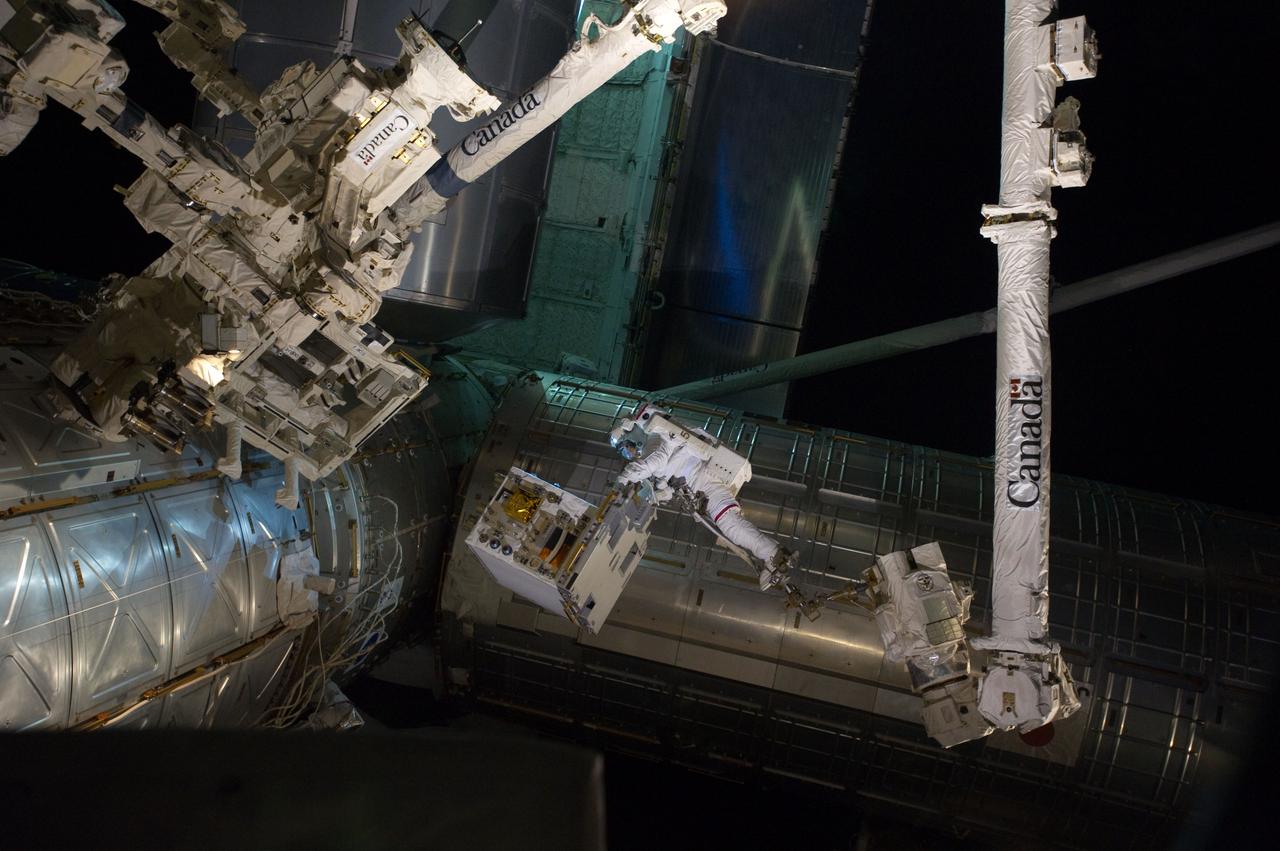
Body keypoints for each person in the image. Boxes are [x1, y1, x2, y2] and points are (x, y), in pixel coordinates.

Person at [611, 410, 795, 590]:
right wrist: (656, 495)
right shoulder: (652, 448)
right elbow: (665, 482)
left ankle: (774, 554)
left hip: (705, 482)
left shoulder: (656, 439)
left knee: (729, 524)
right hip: (698, 488)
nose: (629, 455)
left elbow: (652, 463)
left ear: (632, 436)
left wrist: (622, 481)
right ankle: (770, 555)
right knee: (728, 528)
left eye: (627, 449)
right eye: (625, 454)